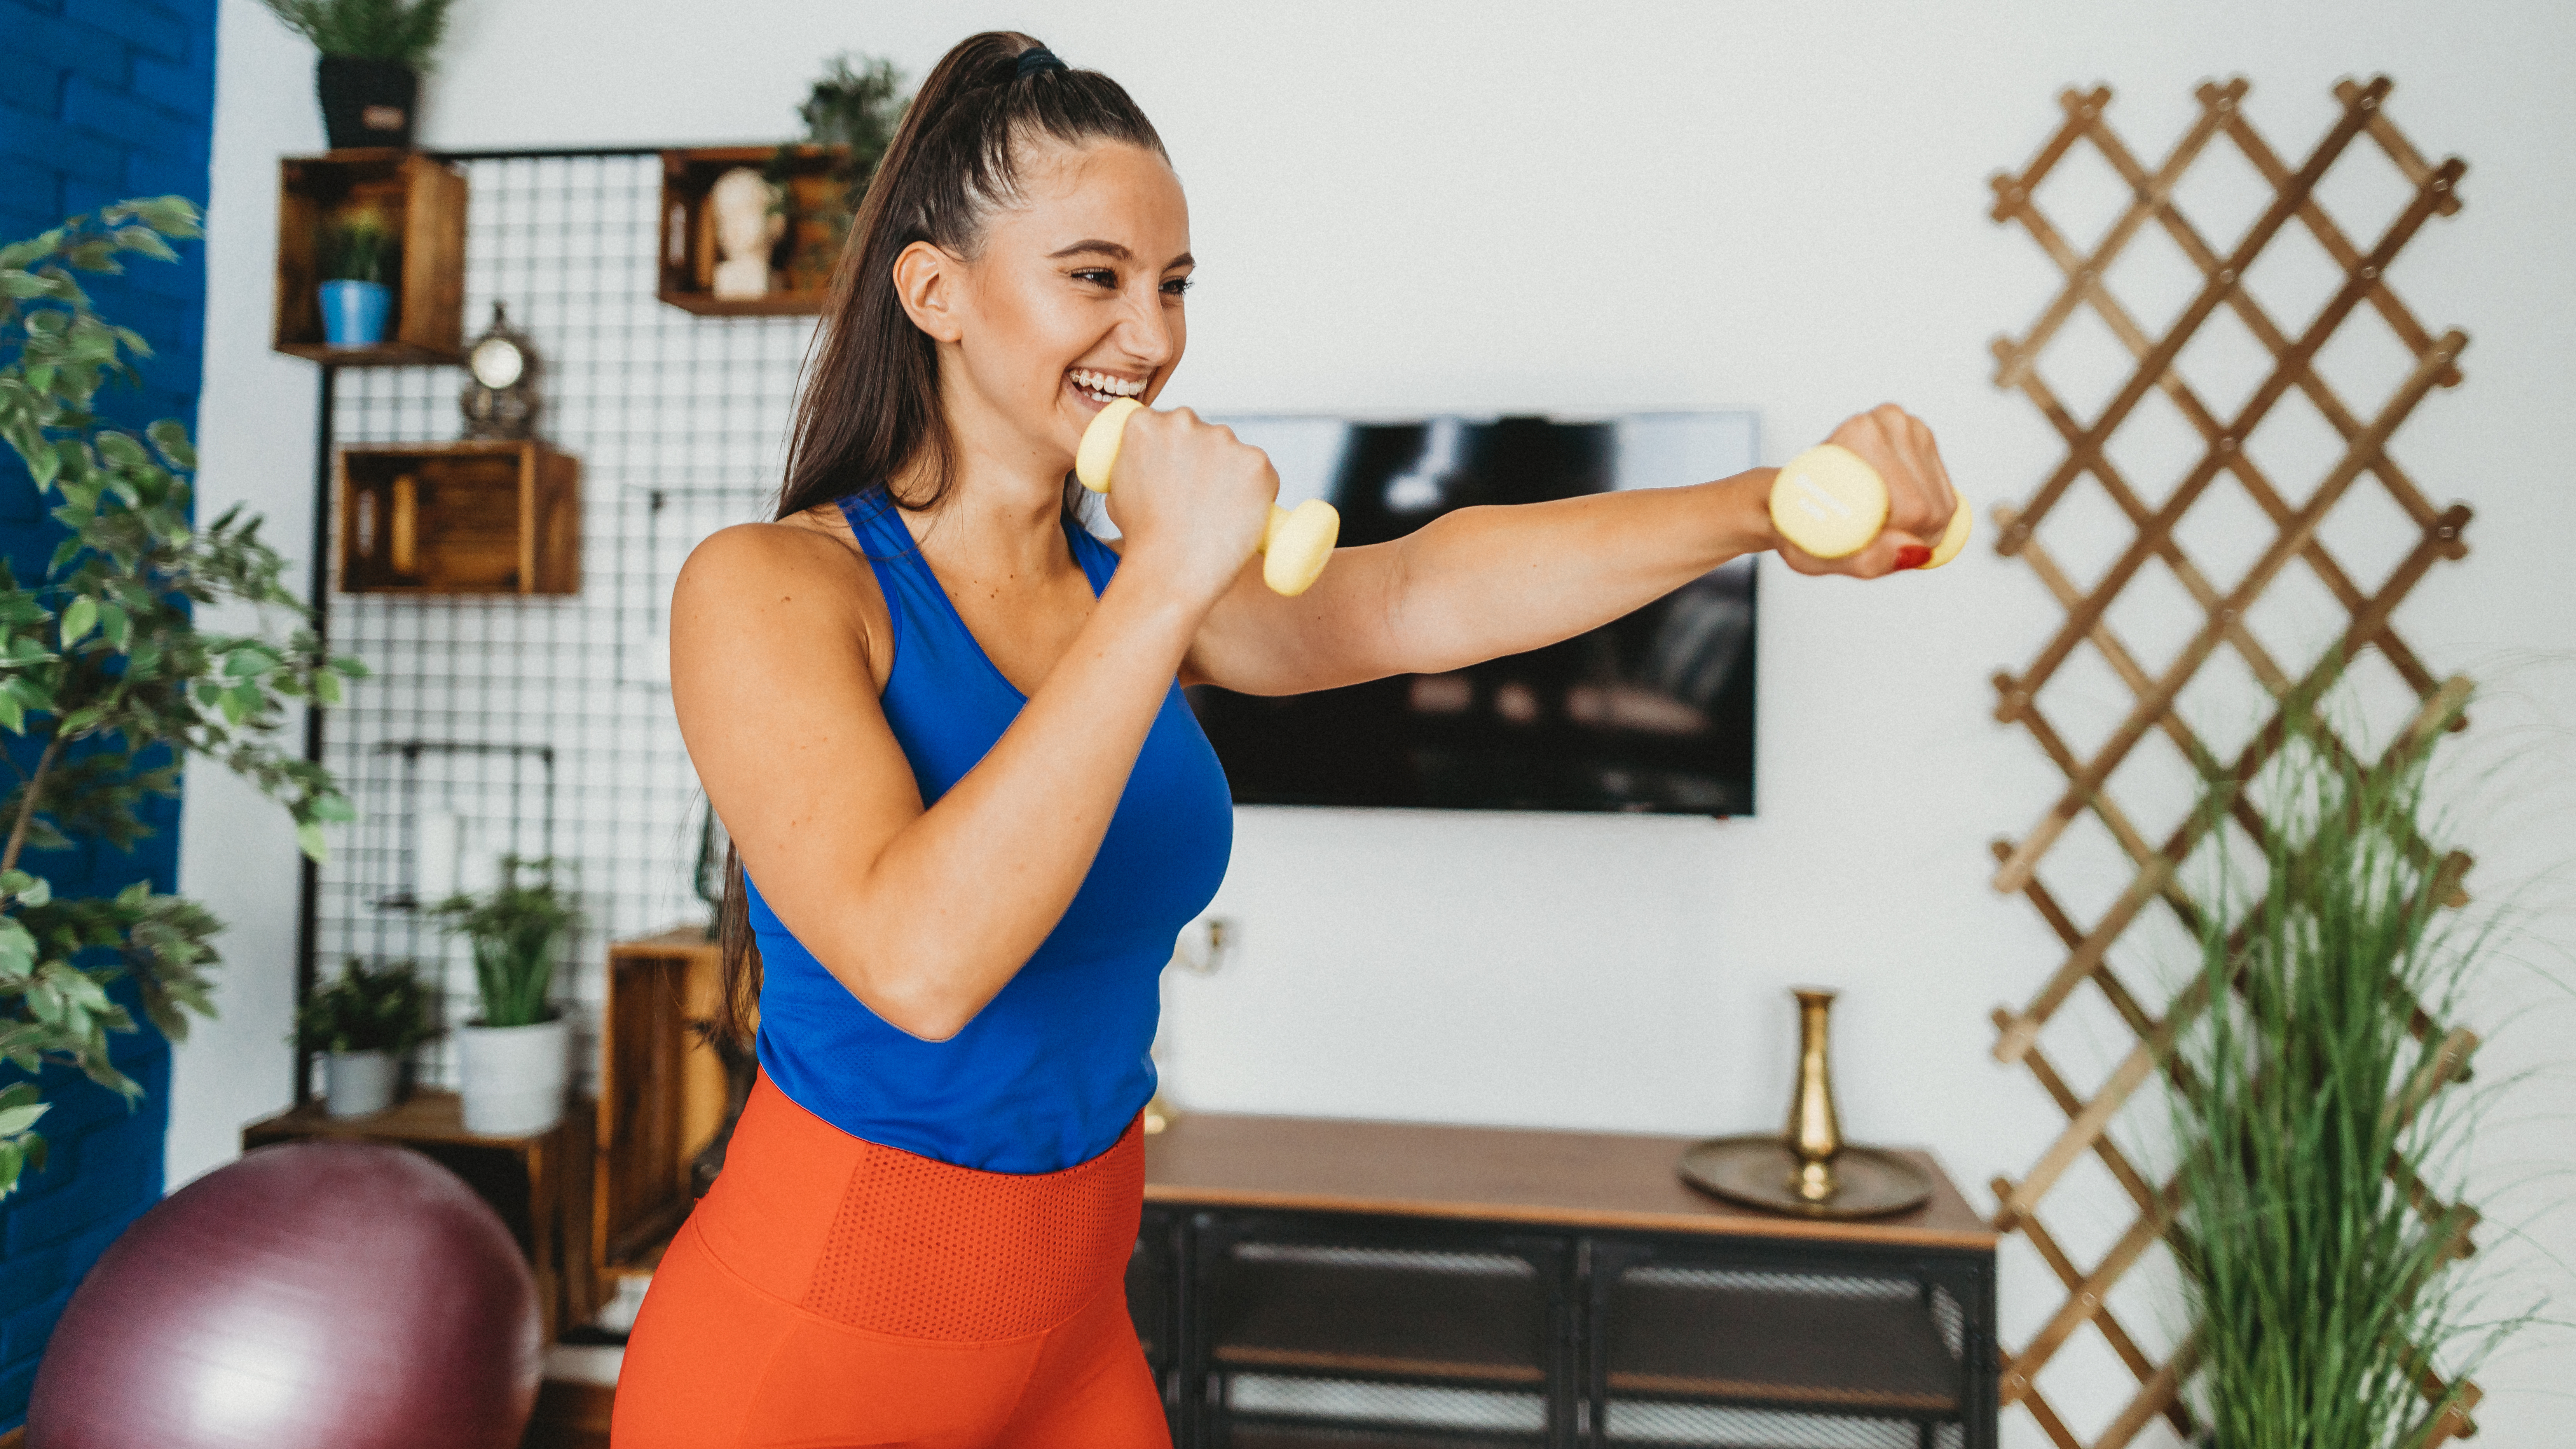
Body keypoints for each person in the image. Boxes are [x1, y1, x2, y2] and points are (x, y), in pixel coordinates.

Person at [614, 29, 1959, 1449]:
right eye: (1096, 277)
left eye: (1173, 285)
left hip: (1068, 1331)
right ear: (935, 291)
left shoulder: (1123, 583)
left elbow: (1422, 592)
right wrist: (1165, 578)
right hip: (805, 1355)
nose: (1152, 337)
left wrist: (1767, 508)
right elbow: (919, 967)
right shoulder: (771, 588)